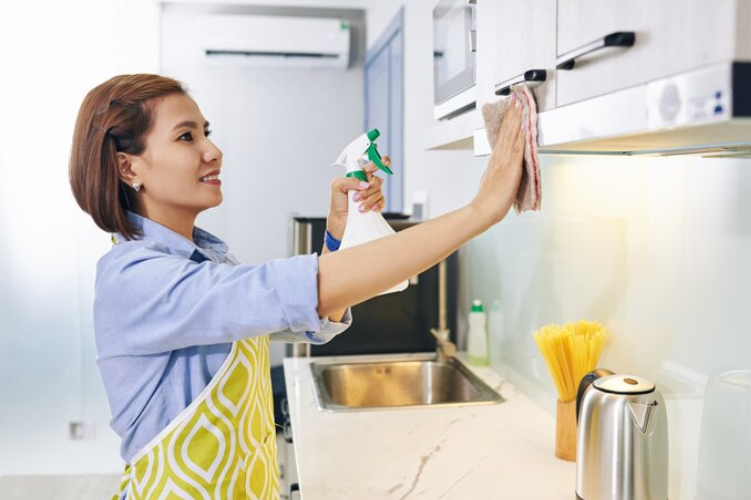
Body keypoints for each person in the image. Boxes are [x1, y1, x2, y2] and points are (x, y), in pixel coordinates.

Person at [69, 74, 524, 500]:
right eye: (187, 136)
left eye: (207, 132)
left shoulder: (203, 259)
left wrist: (339, 237)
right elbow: (307, 291)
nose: (213, 150)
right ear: (128, 168)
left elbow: (303, 312)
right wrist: (481, 209)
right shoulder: (136, 280)